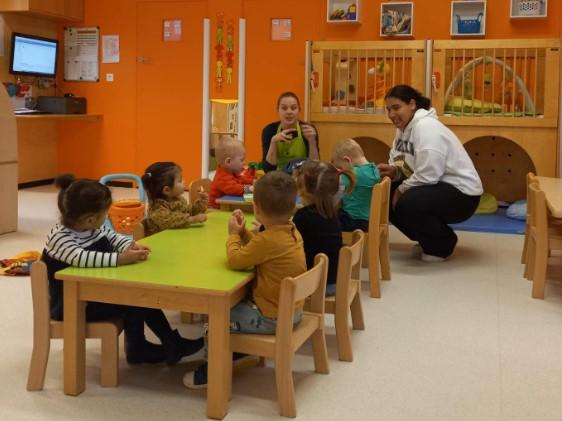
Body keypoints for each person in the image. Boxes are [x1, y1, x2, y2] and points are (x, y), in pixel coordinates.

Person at [42, 175, 205, 365]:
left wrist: (129, 245)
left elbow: (112, 236)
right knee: (135, 299)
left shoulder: (91, 228)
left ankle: (167, 342)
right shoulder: (59, 238)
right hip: (72, 304)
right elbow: (82, 258)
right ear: (90, 219)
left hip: (93, 293)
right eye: (105, 214)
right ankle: (141, 349)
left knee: (140, 294)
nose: (106, 218)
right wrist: (120, 259)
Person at [183, 171, 307, 389]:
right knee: (232, 307)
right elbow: (260, 249)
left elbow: (235, 260)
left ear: (256, 208)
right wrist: (244, 234)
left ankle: (212, 370)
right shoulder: (291, 230)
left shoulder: (268, 240)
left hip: (272, 318)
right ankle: (237, 352)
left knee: (214, 317)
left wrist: (233, 235)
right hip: (293, 311)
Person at [378, 84, 483, 261]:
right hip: (435, 186)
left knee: (408, 202)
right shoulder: (402, 129)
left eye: (396, 108)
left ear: (412, 104)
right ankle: (427, 239)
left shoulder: (426, 127)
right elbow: (404, 163)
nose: (391, 114)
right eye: (388, 109)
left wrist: (400, 189)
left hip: (463, 195)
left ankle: (441, 245)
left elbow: (429, 174)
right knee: (383, 192)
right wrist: (394, 171)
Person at [293, 160, 355, 296]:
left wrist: (265, 227)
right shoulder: (331, 213)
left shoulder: (303, 217)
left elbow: (287, 244)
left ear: (302, 191)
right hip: (336, 281)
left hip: (317, 286)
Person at [141, 162, 207, 236]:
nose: (184, 181)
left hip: (178, 236)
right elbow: (170, 221)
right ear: (167, 190)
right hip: (162, 240)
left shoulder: (178, 199)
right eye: (180, 180)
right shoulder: (156, 208)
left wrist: (202, 203)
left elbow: (190, 211)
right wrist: (192, 219)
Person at [262, 91, 320, 173]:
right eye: (284, 108)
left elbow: (315, 168)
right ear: (278, 110)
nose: (289, 112)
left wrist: (312, 141)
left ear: (299, 111)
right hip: (278, 177)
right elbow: (268, 170)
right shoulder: (269, 130)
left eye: (293, 108)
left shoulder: (308, 130)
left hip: (301, 177)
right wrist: (273, 142)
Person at [332, 138, 381, 232]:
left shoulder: (352, 175)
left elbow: (336, 195)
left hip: (352, 221)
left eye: (341, 167)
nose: (342, 171)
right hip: (369, 221)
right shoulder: (374, 169)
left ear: (347, 160)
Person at [208, 138, 255, 208]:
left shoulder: (232, 172)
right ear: (228, 162)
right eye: (241, 160)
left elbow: (241, 179)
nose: (244, 163)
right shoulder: (221, 178)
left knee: (254, 200)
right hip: (218, 209)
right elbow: (234, 189)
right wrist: (248, 188)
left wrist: (252, 181)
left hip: (229, 204)